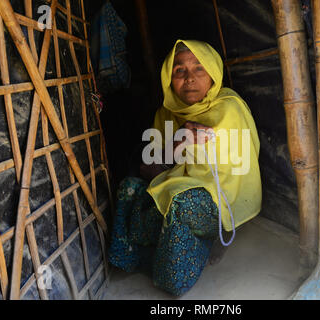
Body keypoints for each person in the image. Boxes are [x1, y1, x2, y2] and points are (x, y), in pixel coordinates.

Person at [108, 40, 262, 296]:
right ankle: (132, 259)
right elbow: (148, 168)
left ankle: (177, 274)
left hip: (219, 201)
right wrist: (179, 140)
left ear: (213, 74)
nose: (189, 78)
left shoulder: (228, 108)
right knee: (129, 188)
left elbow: (229, 174)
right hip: (173, 185)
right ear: (169, 77)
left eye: (199, 68)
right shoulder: (166, 114)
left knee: (182, 200)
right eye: (179, 70)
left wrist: (175, 166)